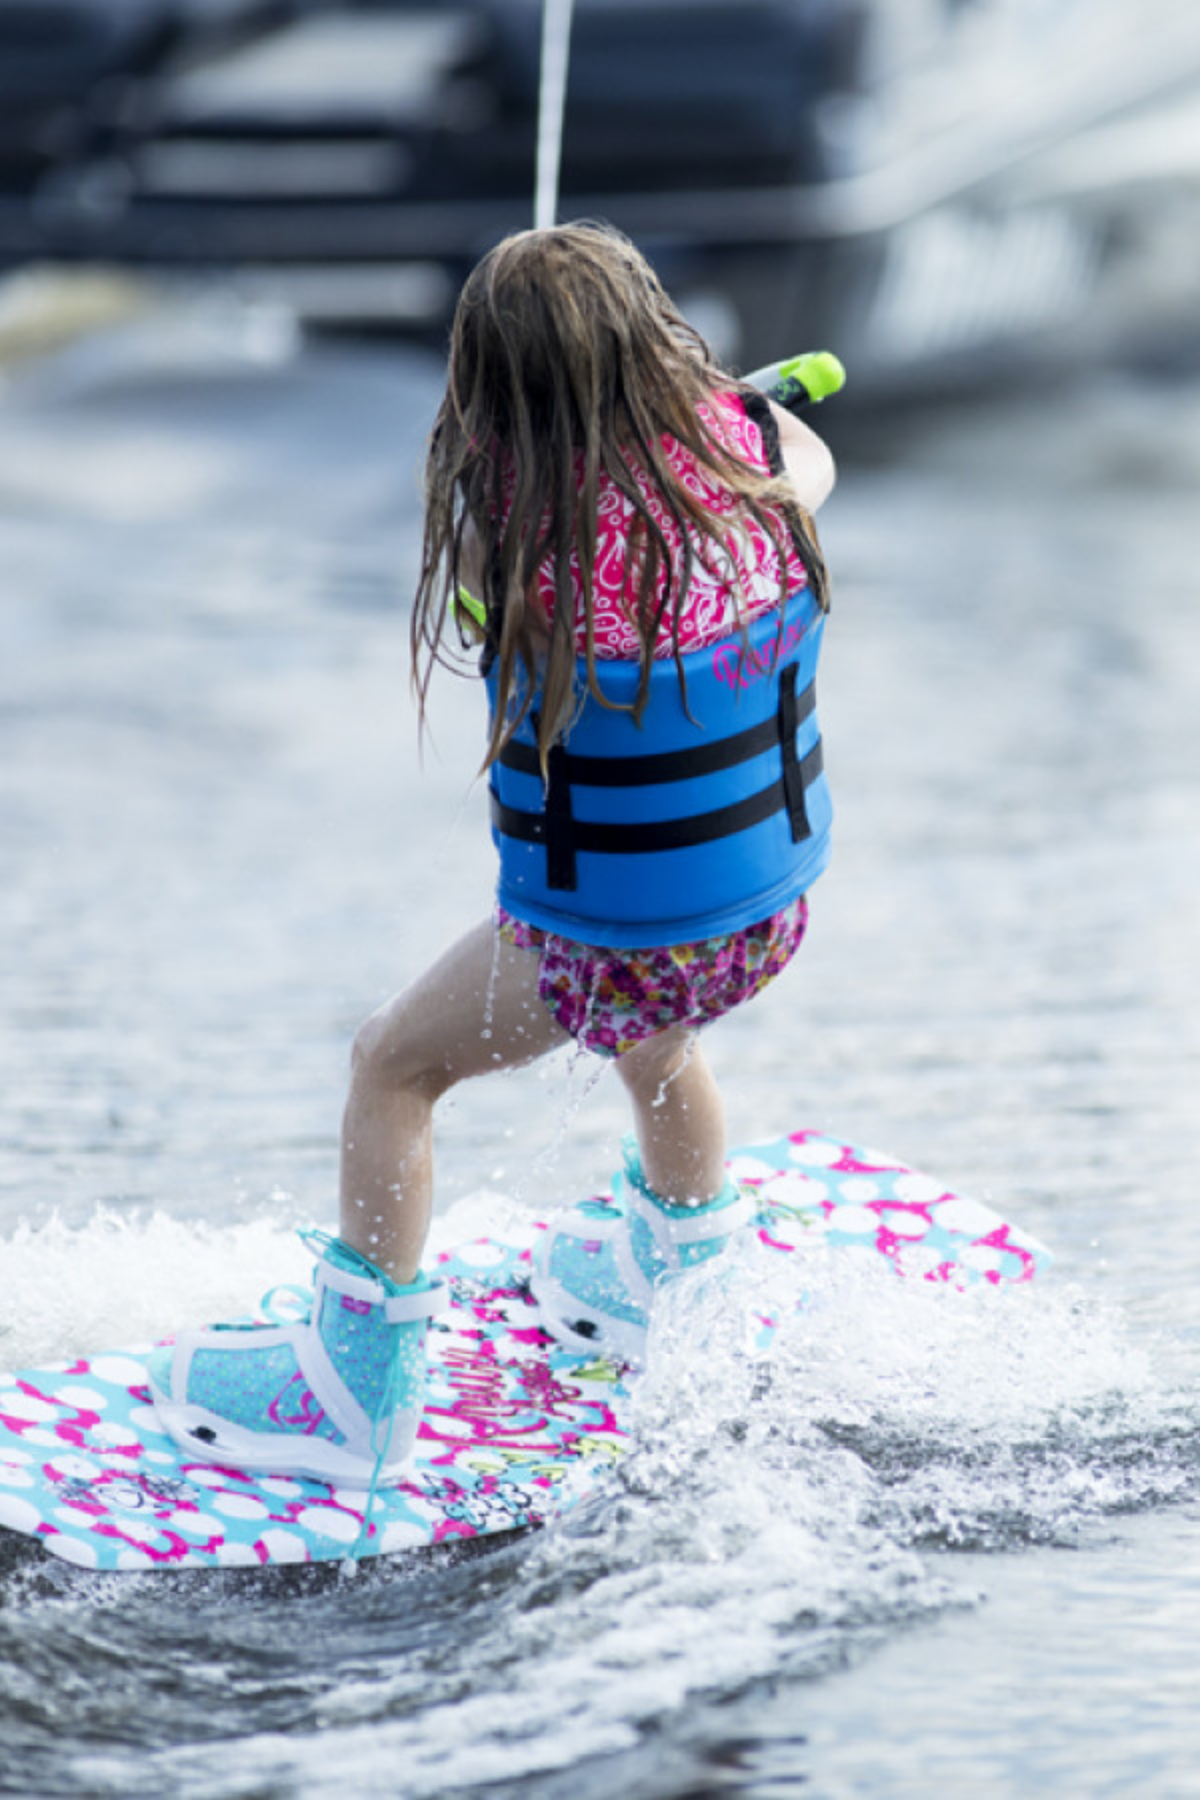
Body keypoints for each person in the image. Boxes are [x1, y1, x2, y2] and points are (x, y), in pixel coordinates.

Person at [149, 222, 837, 1490]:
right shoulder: (767, 472)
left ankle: (352, 1391)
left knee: (390, 1066)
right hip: (760, 919)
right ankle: (678, 1265)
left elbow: (482, 610)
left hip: (603, 946)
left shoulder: (516, 561)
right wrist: (724, 414)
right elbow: (809, 457)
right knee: (658, 1017)